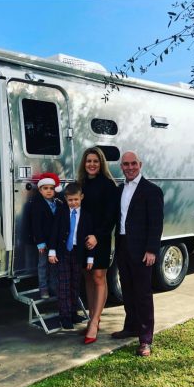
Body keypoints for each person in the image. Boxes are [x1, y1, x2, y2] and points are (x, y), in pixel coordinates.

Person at [112, 151, 164, 357]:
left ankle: (145, 339)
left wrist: (152, 250)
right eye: (126, 164)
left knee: (142, 294)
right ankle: (131, 327)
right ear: (121, 167)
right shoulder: (119, 190)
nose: (130, 167)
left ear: (140, 165)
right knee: (127, 290)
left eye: (133, 163)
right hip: (123, 246)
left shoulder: (152, 190)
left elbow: (156, 223)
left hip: (143, 250)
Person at [77, 147, 118, 343]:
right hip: (83, 238)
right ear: (84, 164)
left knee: (99, 276)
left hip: (100, 237)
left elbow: (111, 216)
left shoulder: (108, 185)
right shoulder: (80, 184)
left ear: (101, 163)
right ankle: (93, 316)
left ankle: (94, 322)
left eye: (95, 161)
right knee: (87, 276)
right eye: (88, 161)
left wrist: (98, 236)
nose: (91, 164)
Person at [48, 182, 95, 333]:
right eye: (70, 200)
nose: (73, 203)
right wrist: (52, 251)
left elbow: (90, 239)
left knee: (75, 283)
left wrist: (90, 258)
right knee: (64, 285)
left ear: (81, 197)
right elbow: (54, 231)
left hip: (78, 253)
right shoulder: (61, 213)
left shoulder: (87, 216)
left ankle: (73, 313)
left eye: (76, 199)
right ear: (66, 199)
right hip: (63, 253)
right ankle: (65, 316)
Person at [30, 172, 62, 299]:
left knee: (54, 265)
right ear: (40, 190)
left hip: (55, 242)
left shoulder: (58, 203)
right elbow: (36, 225)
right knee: (43, 265)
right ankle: (43, 289)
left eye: (51, 188)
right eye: (45, 188)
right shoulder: (37, 205)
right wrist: (40, 242)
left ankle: (54, 287)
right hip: (43, 242)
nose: (49, 191)